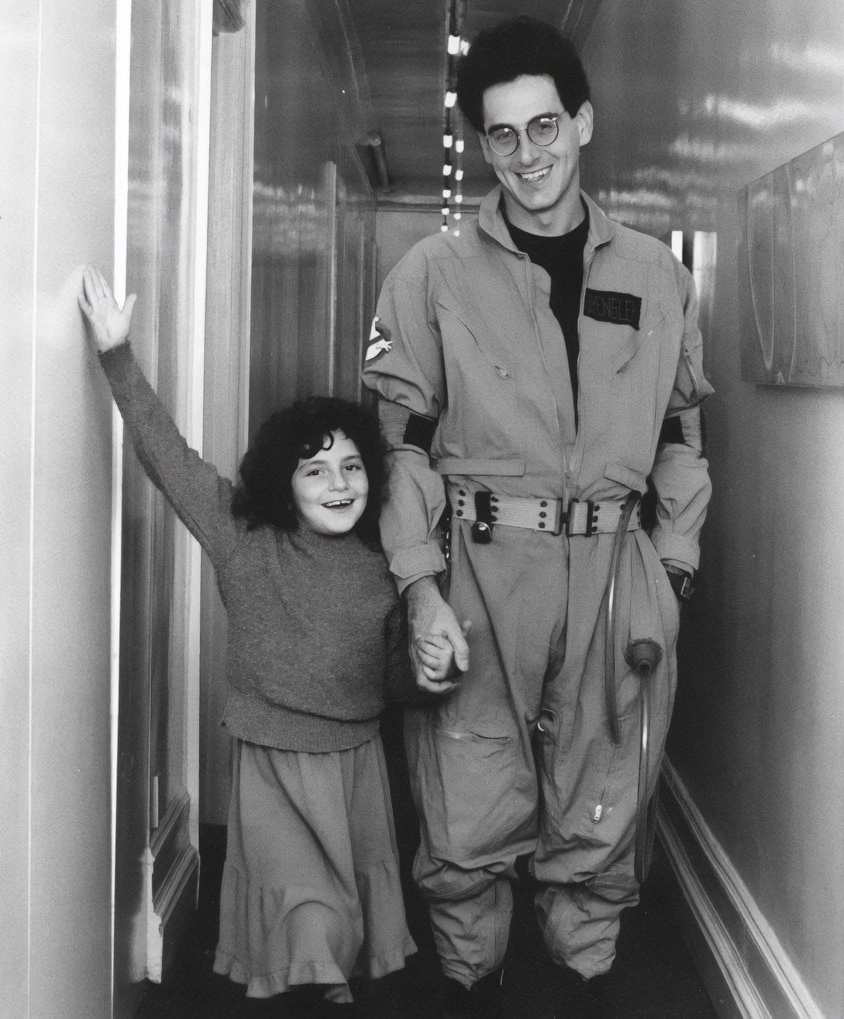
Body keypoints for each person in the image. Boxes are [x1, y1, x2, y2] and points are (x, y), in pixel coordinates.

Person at [361, 15, 713, 1017]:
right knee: (469, 793)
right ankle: (471, 979)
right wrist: (420, 588)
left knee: (604, 786)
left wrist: (673, 561)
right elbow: (405, 449)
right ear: (481, 143)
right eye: (503, 135)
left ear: (584, 122)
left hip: (617, 571)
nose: (528, 155)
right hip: (478, 567)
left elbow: (683, 434)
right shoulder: (431, 274)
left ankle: (587, 972)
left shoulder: (656, 273)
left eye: (545, 126)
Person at [77, 265, 456, 1016]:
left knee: (345, 923)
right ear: (286, 486)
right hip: (273, 768)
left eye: (351, 467)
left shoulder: (388, 560)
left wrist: (432, 667)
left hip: (355, 768)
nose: (339, 483)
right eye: (317, 471)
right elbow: (169, 458)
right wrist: (117, 356)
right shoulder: (243, 539)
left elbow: (403, 680)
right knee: (304, 916)